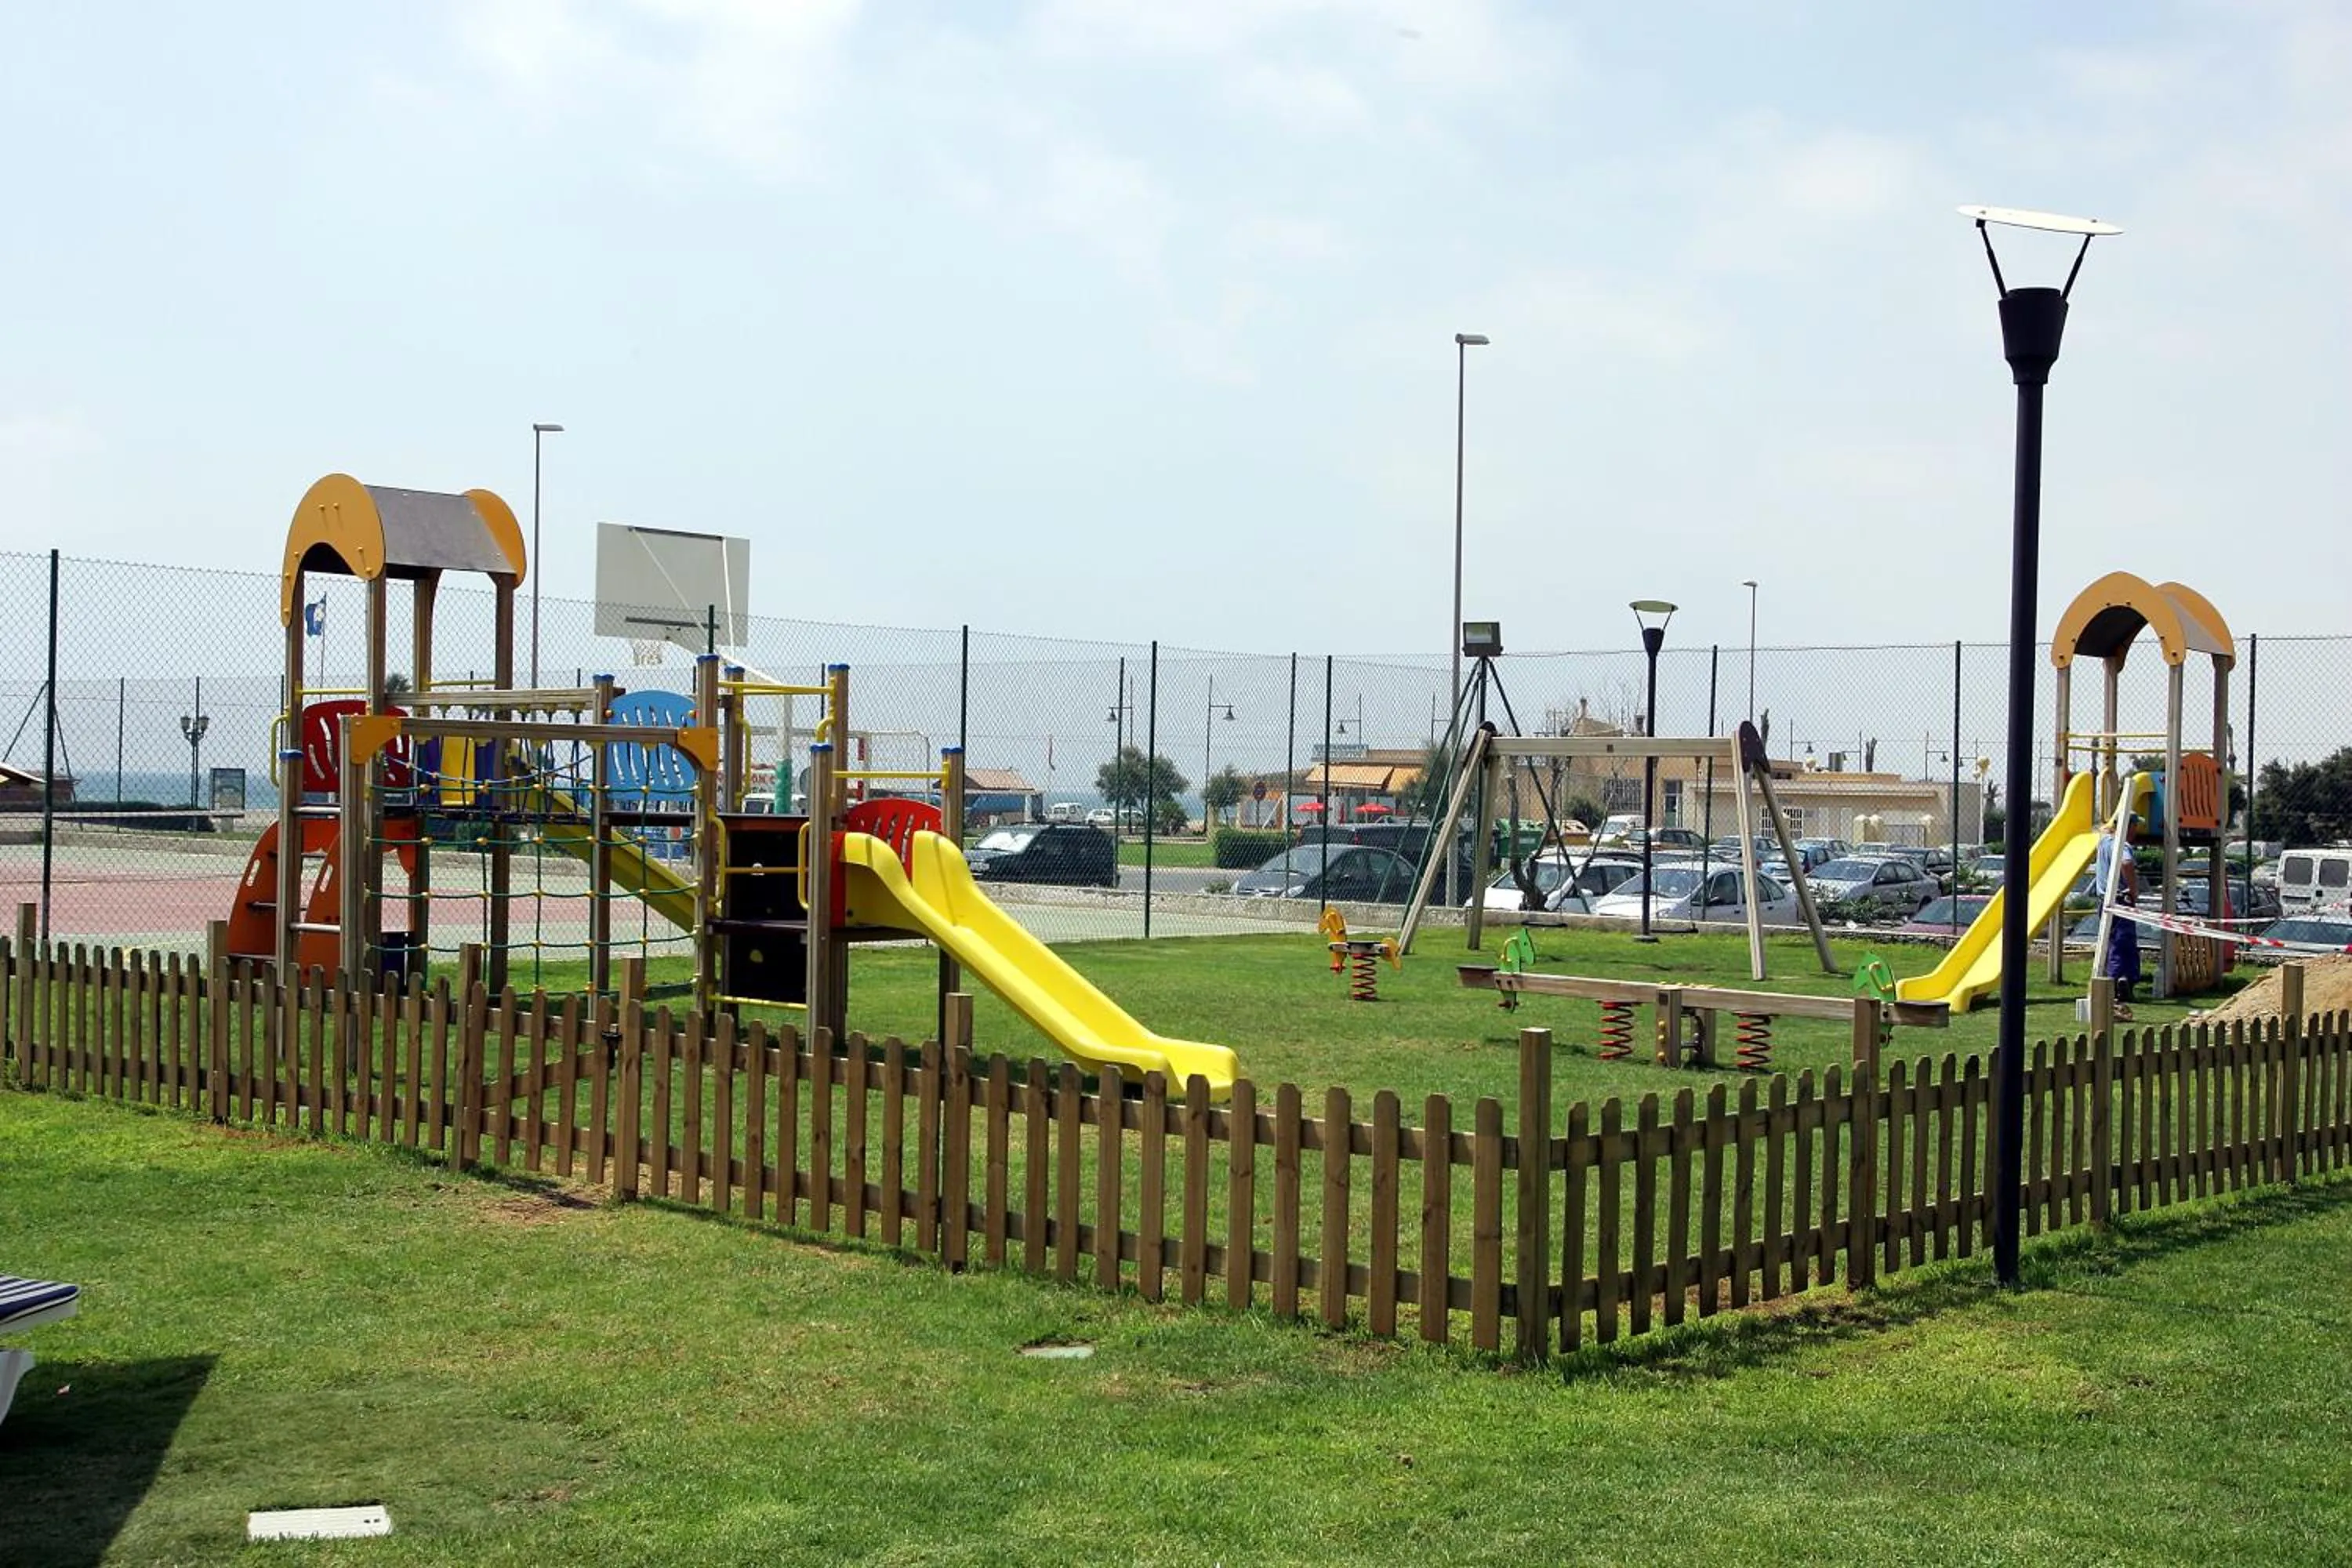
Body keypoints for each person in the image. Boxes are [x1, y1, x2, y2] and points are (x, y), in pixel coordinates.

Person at [2094, 822, 2143, 1018]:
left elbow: (2100, 830)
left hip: (2104, 900)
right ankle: (2118, 984)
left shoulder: (2104, 842)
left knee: (2111, 943)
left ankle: (2118, 981)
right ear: (2129, 827)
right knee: (2123, 943)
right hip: (2120, 900)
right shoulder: (2122, 844)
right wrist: (2133, 890)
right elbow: (2126, 862)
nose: (2137, 831)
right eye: (2136, 826)